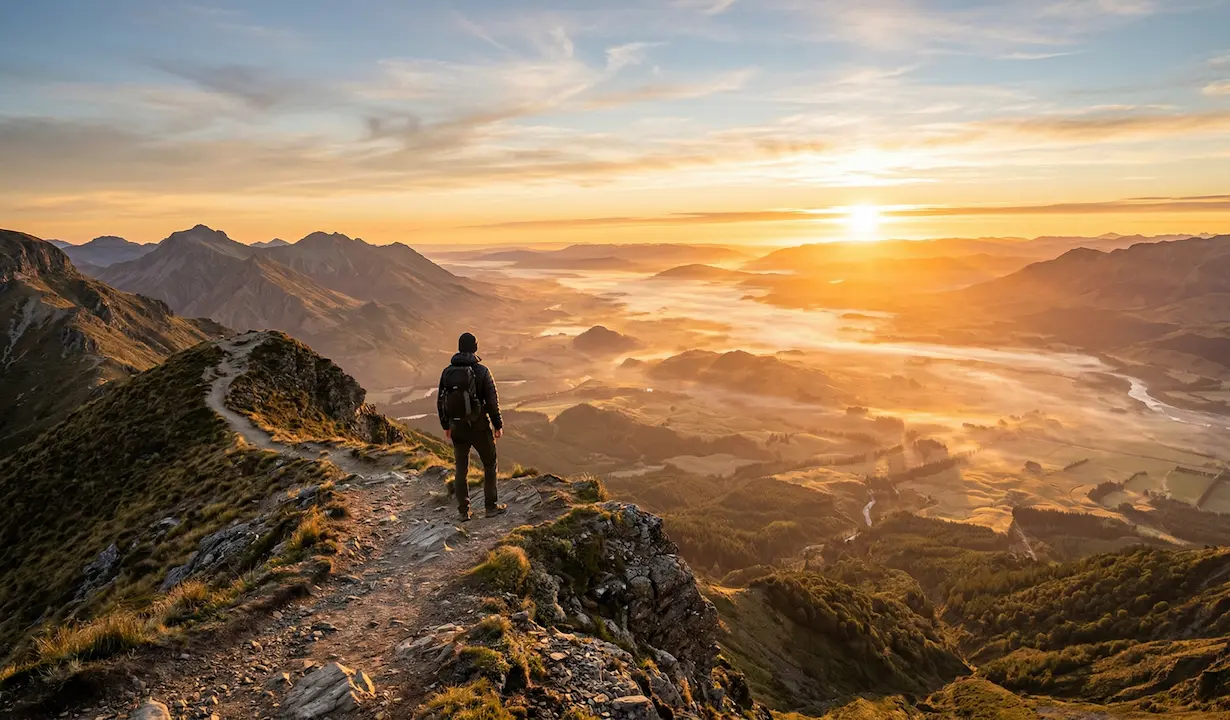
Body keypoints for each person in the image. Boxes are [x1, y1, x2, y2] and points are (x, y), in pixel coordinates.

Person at [437, 332, 506, 521]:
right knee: (490, 464)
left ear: (459, 347)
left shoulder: (447, 372)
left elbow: (441, 401)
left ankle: (463, 511)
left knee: (461, 468)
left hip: (457, 428)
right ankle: (490, 507)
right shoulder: (482, 371)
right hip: (479, 427)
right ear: (475, 348)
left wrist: (446, 425)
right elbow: (492, 402)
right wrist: (498, 425)